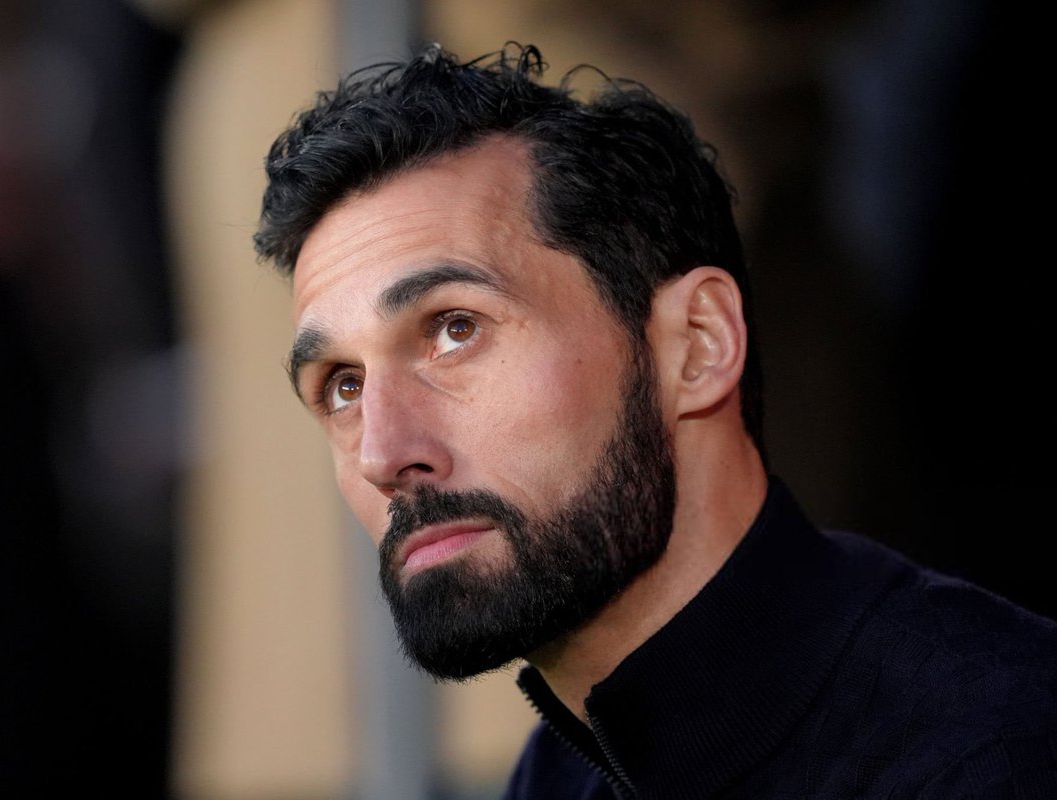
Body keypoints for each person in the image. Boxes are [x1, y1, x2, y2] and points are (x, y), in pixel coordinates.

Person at [251, 42, 1057, 799]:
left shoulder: (995, 746)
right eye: (343, 386)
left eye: (455, 329)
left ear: (697, 344)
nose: (383, 453)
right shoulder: (560, 772)